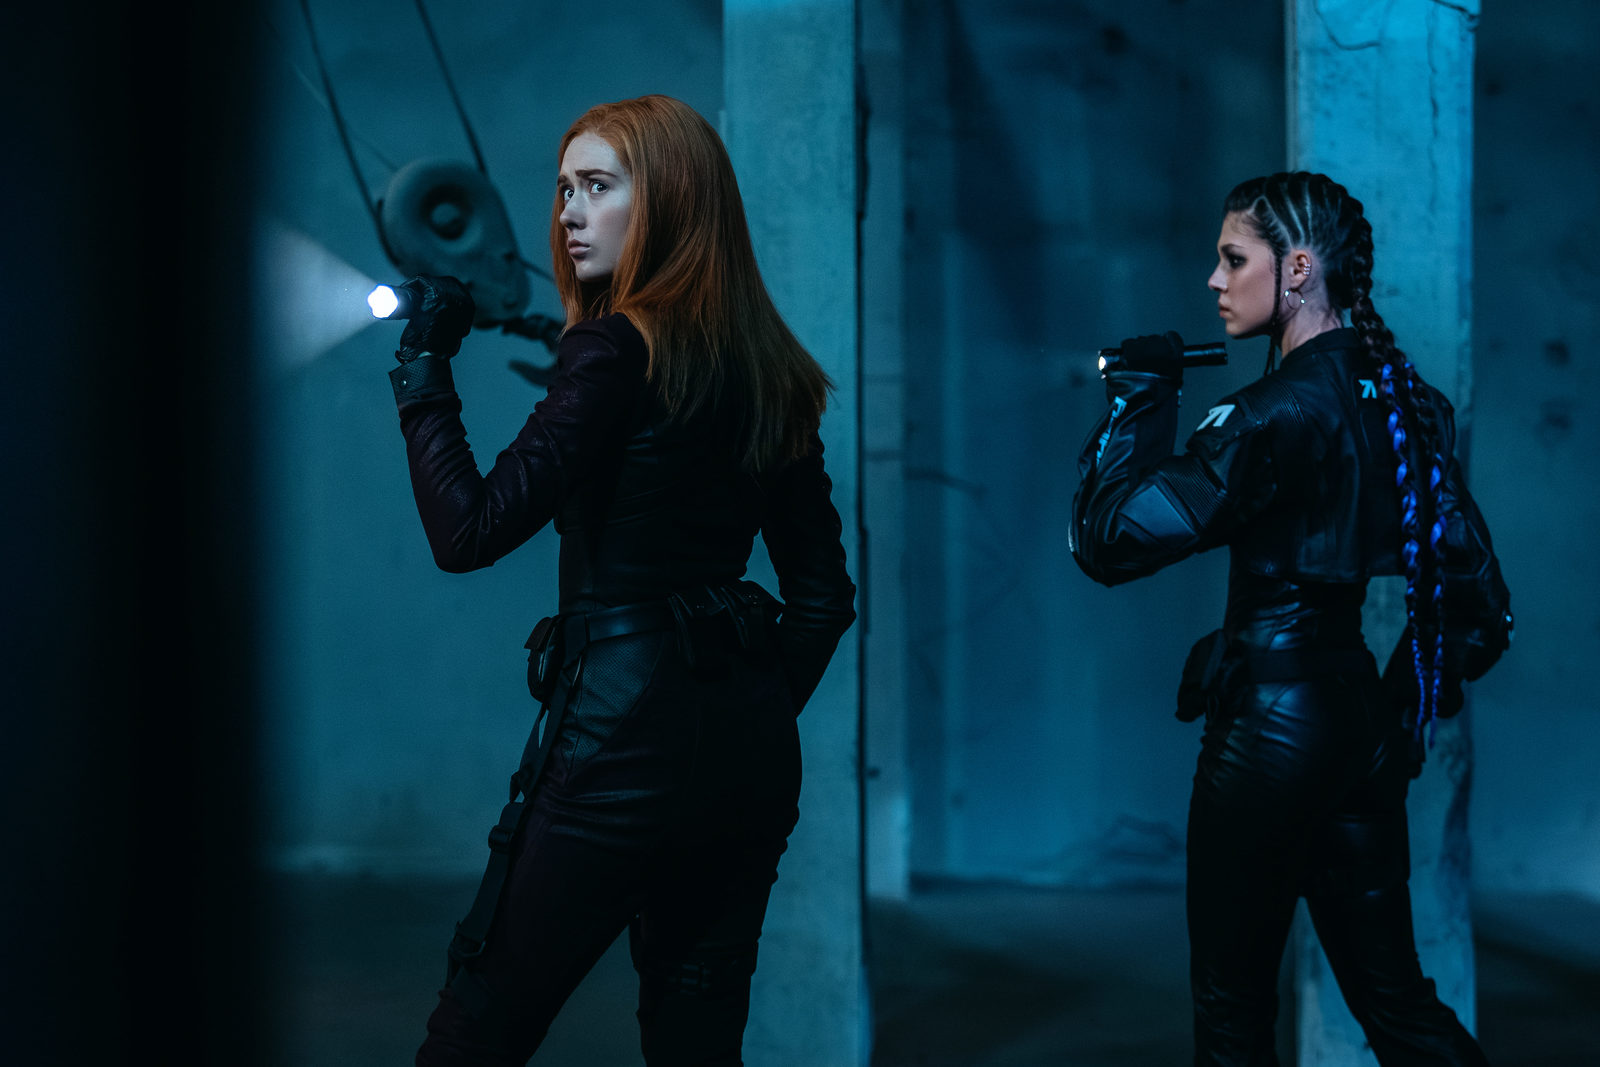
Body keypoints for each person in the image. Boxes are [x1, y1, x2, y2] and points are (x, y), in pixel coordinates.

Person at [381, 94, 857, 1065]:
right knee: (696, 1043)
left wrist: (423, 365)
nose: (567, 212)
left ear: (672, 201)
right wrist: (743, 711)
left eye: (597, 187)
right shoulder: (770, 364)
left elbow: (467, 531)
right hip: (750, 755)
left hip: (615, 740)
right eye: (564, 188)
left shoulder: (613, 349)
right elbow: (822, 597)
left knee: (476, 1030)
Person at [1070, 171, 1512, 1065]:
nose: (1214, 279)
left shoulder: (1268, 413)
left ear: (1299, 267)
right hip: (1357, 719)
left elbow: (1109, 541)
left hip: (1270, 735)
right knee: (1398, 1004)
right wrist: (1397, 710)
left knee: (1232, 1014)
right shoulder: (1410, 404)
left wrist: (1142, 397)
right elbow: (1481, 605)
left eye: (1234, 258)